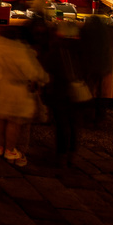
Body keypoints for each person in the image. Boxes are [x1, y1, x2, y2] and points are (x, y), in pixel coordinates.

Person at [0, 27, 48, 168]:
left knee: (0, 118)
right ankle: (10, 150)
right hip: (16, 90)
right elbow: (32, 72)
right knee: (13, 121)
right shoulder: (21, 50)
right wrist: (43, 78)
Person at [41, 20, 84, 167]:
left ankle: (61, 154)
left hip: (60, 90)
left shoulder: (57, 49)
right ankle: (73, 153)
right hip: (77, 90)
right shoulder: (81, 48)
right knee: (73, 123)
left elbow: (47, 67)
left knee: (61, 124)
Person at [77, 13, 113, 125]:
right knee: (101, 92)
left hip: (90, 65)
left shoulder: (87, 30)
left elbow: (82, 46)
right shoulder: (107, 31)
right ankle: (101, 116)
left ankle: (87, 116)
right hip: (104, 65)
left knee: (89, 90)